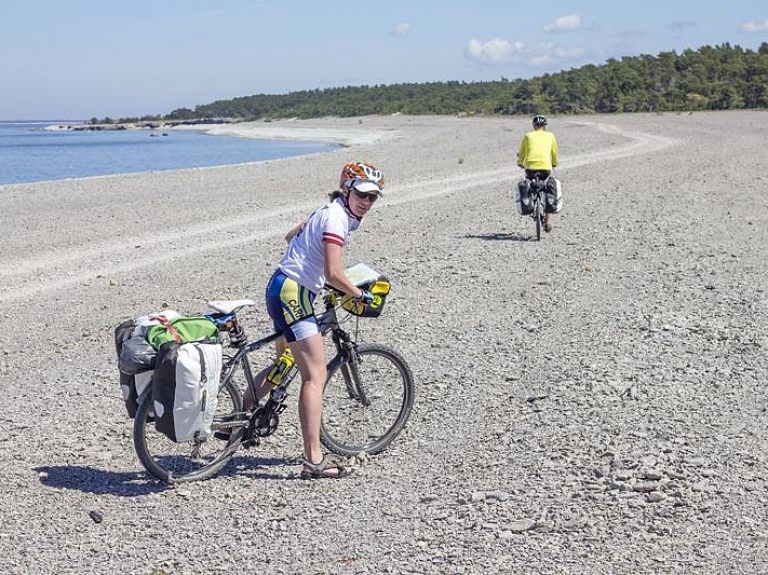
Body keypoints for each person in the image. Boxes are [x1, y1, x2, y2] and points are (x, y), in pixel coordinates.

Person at [247, 162, 384, 480]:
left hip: (284, 286)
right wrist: (359, 295)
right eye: (362, 195)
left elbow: (290, 235)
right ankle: (313, 460)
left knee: (286, 359)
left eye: (373, 198)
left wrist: (313, 267)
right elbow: (335, 273)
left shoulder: (332, 210)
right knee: (316, 375)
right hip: (293, 293)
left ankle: (241, 419)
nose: (367, 202)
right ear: (347, 189)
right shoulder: (337, 219)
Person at [517, 114, 559, 232]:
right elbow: (554, 153)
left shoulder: (527, 136)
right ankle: (549, 221)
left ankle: (531, 203)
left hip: (530, 167)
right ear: (545, 126)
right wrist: (554, 163)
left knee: (529, 184)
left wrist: (520, 162)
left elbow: (522, 153)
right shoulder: (550, 136)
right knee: (548, 188)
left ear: (534, 126)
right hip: (545, 167)